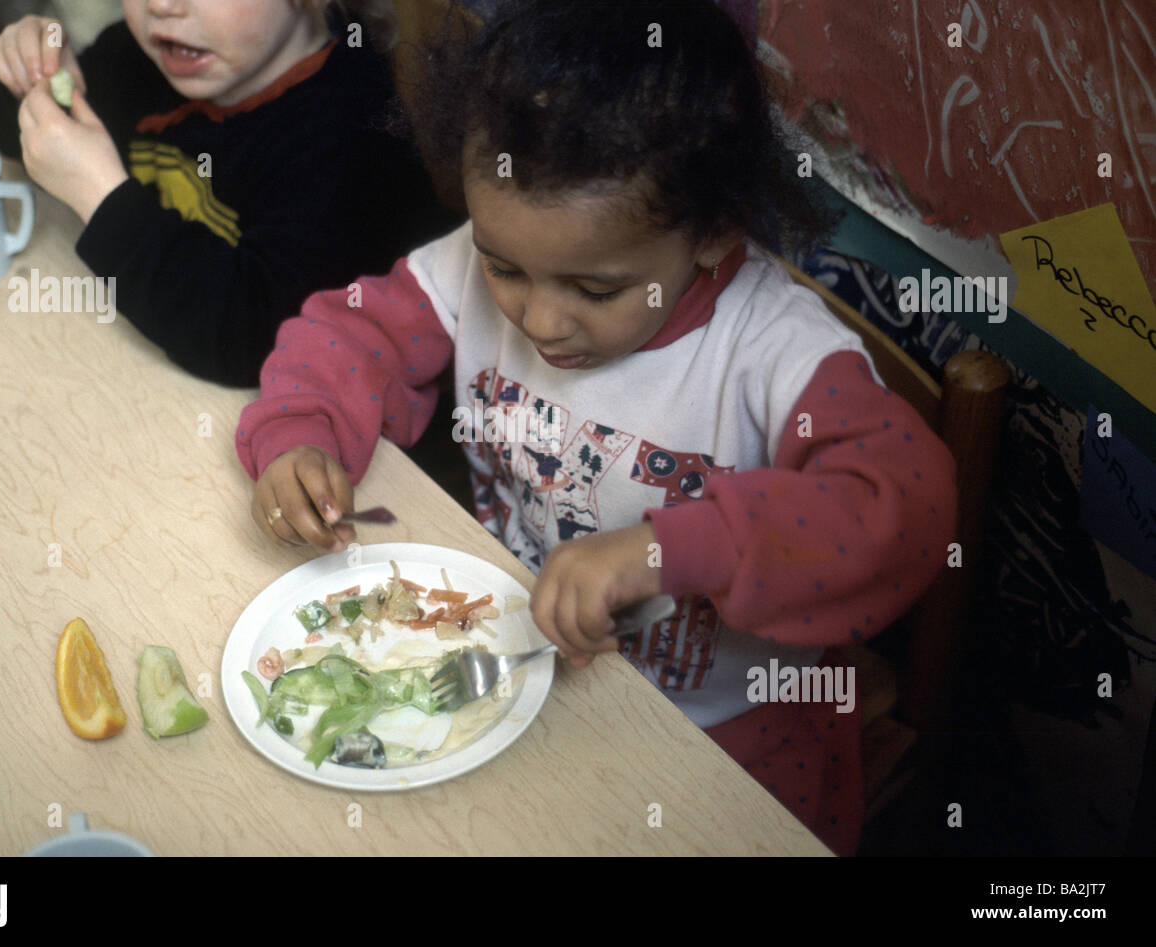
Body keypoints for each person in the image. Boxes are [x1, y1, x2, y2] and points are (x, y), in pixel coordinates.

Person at [233, 0, 957, 855]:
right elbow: (349, 335)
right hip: (517, 670)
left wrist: (667, 550)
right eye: (505, 270)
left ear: (714, 230)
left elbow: (902, 505)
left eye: (597, 290)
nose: (540, 319)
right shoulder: (486, 255)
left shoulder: (774, 351)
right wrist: (301, 433)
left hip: (726, 739)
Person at [0, 0, 456, 386]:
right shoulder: (153, 55)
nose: (162, 6)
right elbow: (12, 134)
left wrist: (101, 198)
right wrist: (32, 75)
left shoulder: (355, 136)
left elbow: (252, 343)